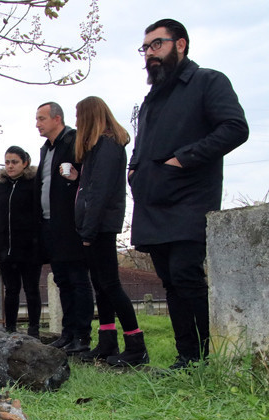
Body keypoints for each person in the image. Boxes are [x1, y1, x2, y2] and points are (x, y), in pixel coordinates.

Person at [129, 19, 248, 369]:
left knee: (186, 275)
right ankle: (187, 356)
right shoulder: (152, 99)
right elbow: (142, 143)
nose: (150, 53)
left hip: (190, 198)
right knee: (169, 281)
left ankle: (205, 355)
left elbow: (235, 128)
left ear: (180, 44)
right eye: (146, 47)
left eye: (157, 44)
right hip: (152, 201)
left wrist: (183, 160)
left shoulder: (208, 81)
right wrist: (134, 170)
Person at [72, 96, 147, 366]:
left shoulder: (107, 146)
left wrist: (89, 232)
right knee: (101, 287)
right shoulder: (98, 148)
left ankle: (136, 345)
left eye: (80, 116)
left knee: (111, 286)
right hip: (94, 226)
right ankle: (107, 343)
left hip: (100, 227)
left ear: (91, 116)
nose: (77, 121)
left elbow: (100, 193)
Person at [35, 102, 94, 354]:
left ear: (57, 118)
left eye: (41, 118)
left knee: (78, 280)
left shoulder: (74, 141)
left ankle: (82, 335)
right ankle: (67, 333)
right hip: (50, 224)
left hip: (71, 223)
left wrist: (76, 176)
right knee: (62, 280)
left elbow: (88, 176)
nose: (37, 123)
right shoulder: (44, 150)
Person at [0, 146, 42, 337]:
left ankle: (34, 329)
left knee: (31, 288)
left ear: (25, 163)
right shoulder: (1, 184)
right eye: (7, 162)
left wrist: (38, 241)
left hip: (29, 246)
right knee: (11, 290)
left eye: (14, 162)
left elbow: (39, 214)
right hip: (6, 246)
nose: (10, 166)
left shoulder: (34, 183)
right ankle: (10, 328)